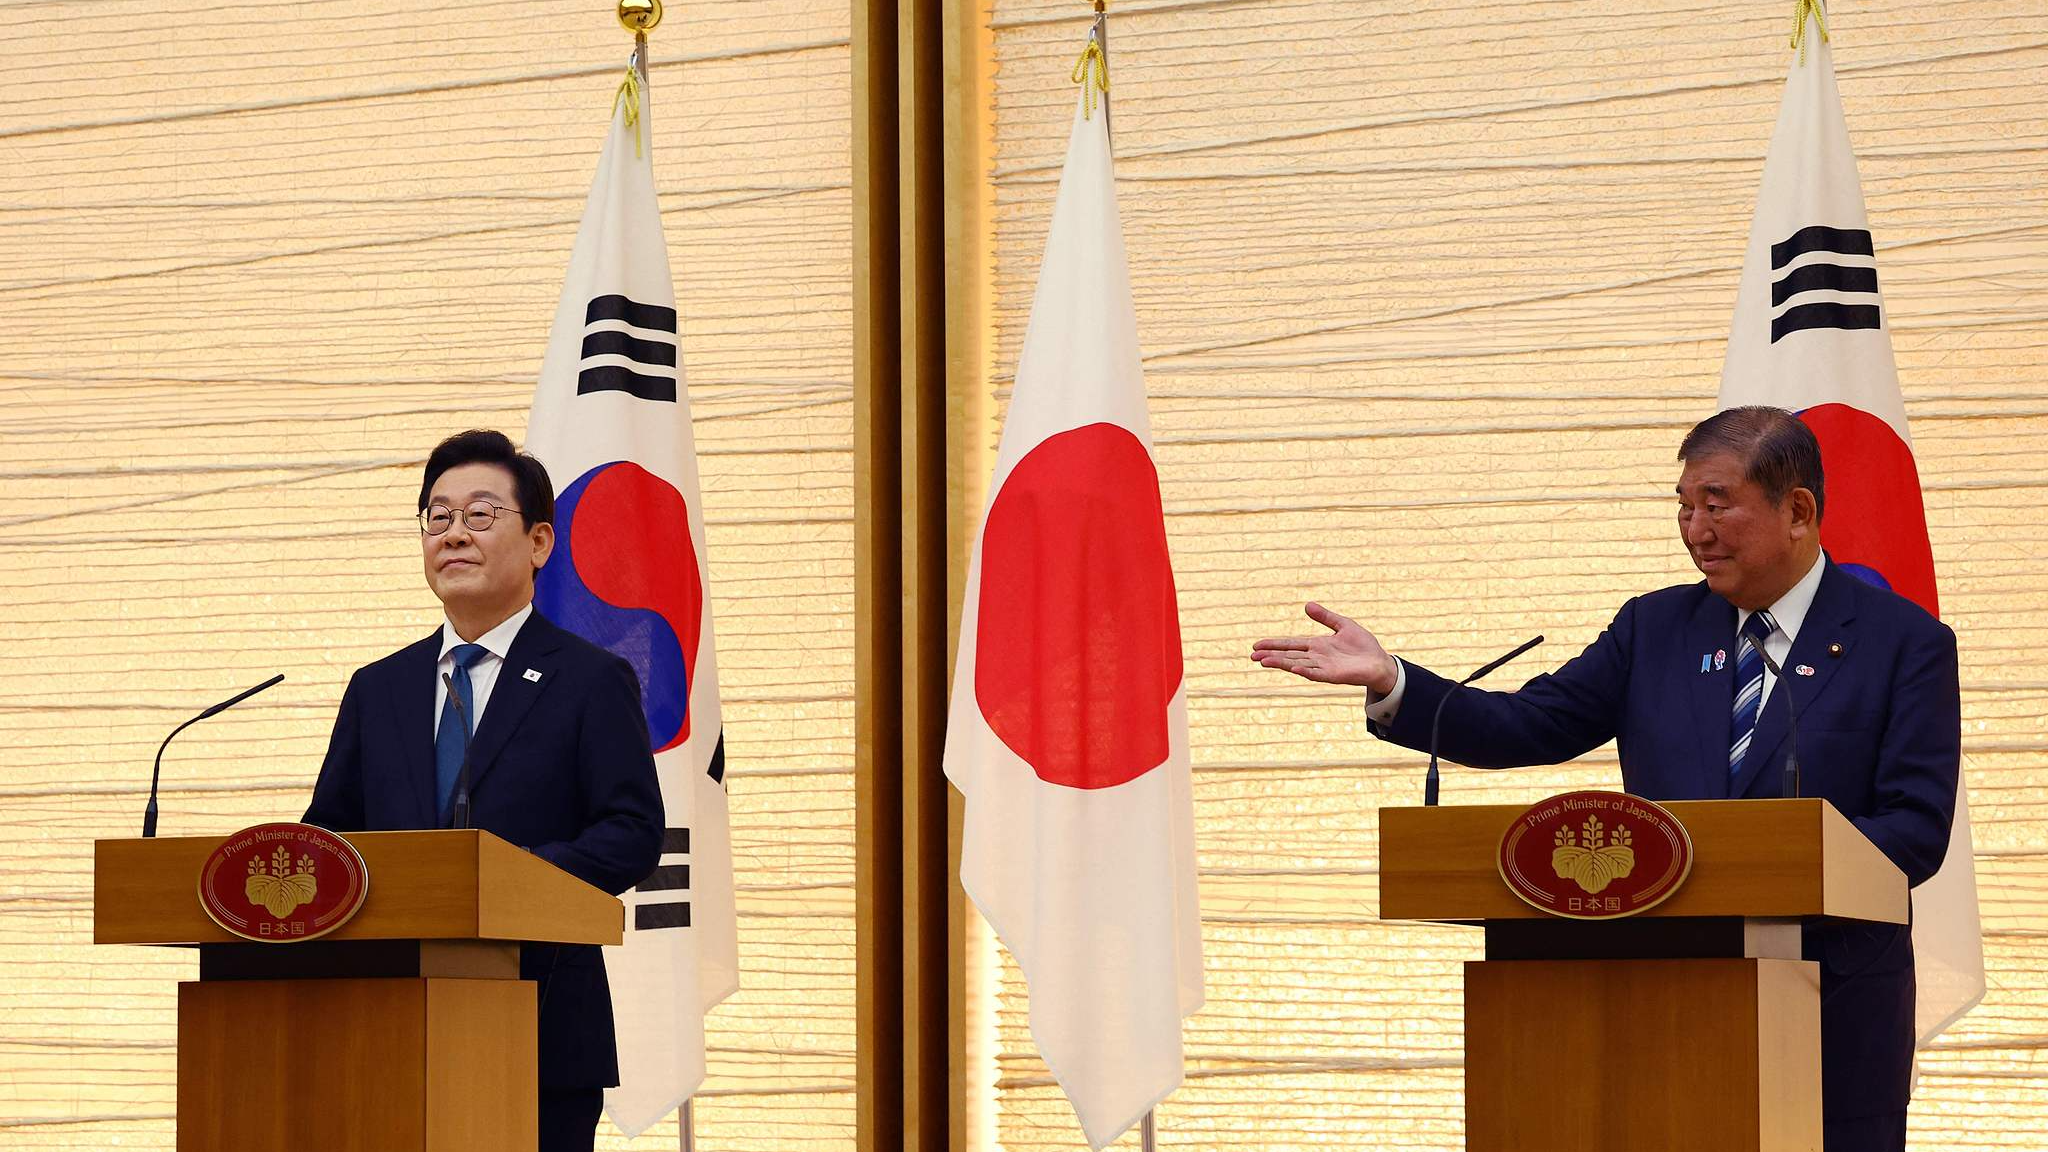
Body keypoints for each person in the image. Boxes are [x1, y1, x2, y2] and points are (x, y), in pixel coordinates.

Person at [1251, 406, 1958, 1152]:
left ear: (1798, 510)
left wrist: (1785, 857)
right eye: (1683, 508)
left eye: (1716, 505)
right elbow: (1526, 725)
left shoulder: (1903, 644)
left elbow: (1914, 829)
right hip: (1649, 1009)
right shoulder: (1652, 630)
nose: (1695, 530)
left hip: (1832, 1014)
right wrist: (1395, 679)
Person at [304, 429, 664, 1152]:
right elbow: (328, 839)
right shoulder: (379, 690)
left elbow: (631, 831)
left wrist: (505, 879)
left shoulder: (590, 680)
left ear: (538, 542)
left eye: (478, 515)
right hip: (386, 1032)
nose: (453, 535)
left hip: (540, 1029)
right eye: (437, 517)